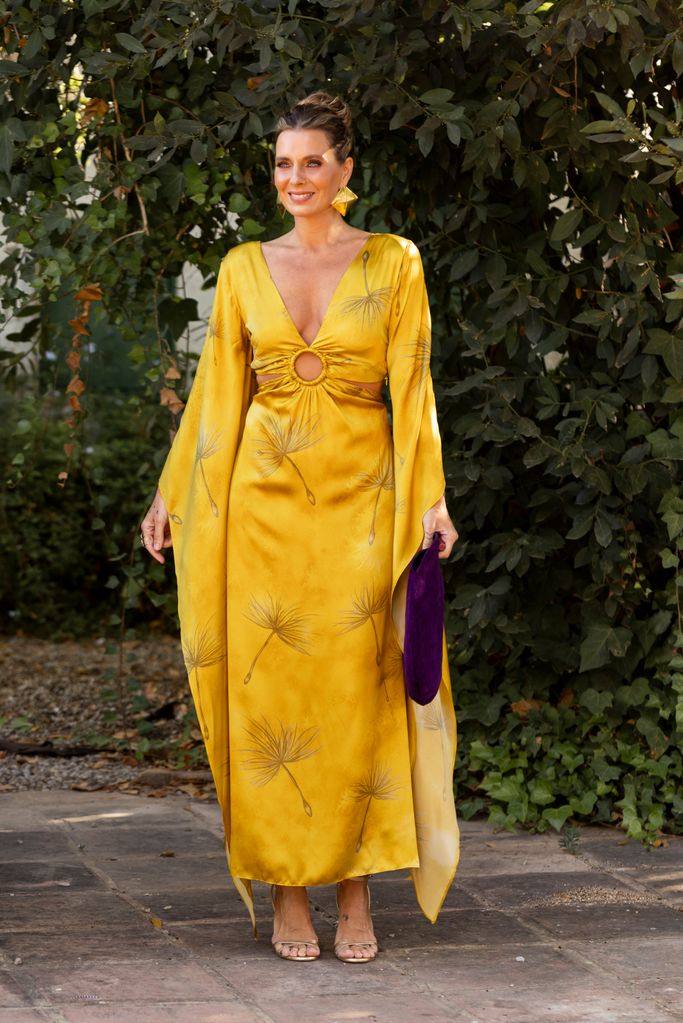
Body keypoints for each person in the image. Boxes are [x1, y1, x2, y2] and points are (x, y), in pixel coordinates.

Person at [141, 92, 460, 964]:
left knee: (357, 692)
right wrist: (172, 490)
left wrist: (430, 500)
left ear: (345, 170)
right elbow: (217, 395)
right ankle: (288, 888)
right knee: (272, 698)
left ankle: (354, 890)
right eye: (283, 163)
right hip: (261, 508)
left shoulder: (395, 262)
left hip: (362, 504)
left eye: (311, 162)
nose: (295, 178)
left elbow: (414, 390)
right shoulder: (245, 265)